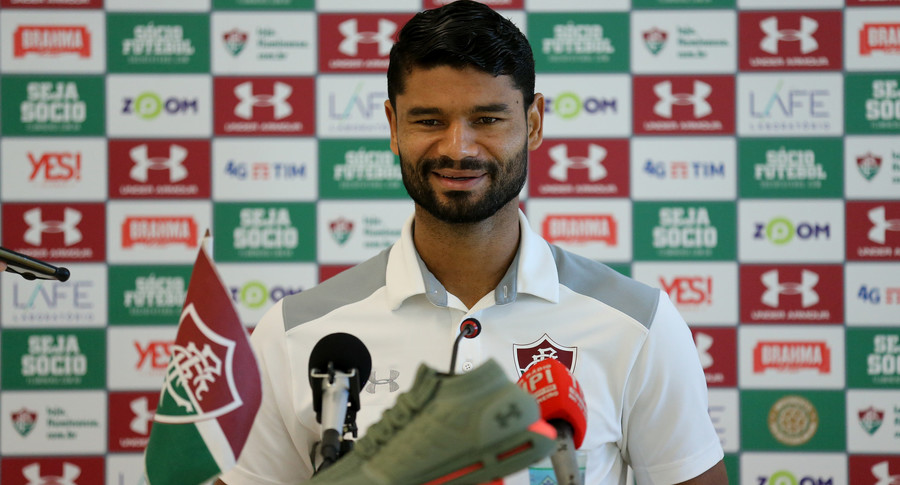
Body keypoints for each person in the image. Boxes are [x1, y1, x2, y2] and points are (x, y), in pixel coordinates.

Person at [216, 1, 727, 484]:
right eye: (429, 121)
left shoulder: (638, 324)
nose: (457, 147)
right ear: (393, 126)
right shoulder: (293, 335)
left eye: (487, 119)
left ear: (533, 122)